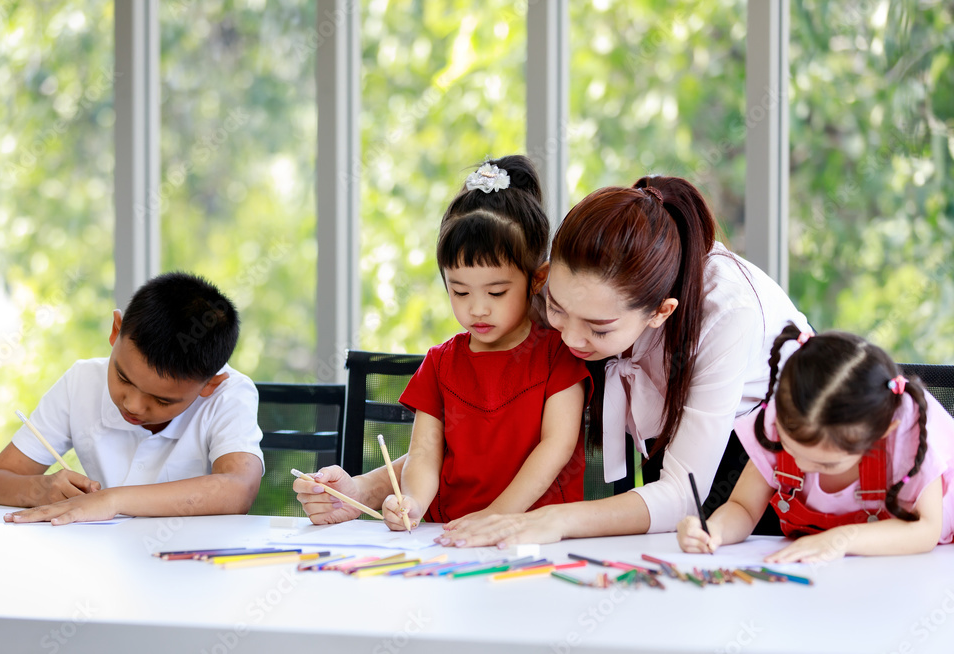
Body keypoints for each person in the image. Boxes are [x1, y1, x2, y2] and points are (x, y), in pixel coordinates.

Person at [295, 175, 809, 547]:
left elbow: (682, 494)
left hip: (775, 476)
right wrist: (364, 488)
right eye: (557, 309)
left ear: (660, 313)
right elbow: (482, 423)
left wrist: (550, 521)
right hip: (663, 488)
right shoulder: (579, 285)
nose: (568, 336)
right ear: (545, 277)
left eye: (599, 329)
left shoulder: (728, 315)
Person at [380, 155, 589, 531]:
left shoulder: (558, 353)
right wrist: (411, 501)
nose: (477, 309)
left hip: (534, 535)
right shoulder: (440, 363)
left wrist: (495, 517)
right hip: (452, 536)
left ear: (537, 279)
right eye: (459, 292)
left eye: (496, 292)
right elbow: (424, 454)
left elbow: (555, 448)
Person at [0, 271, 265, 524]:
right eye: (123, 378)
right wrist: (39, 489)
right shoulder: (81, 382)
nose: (132, 404)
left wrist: (112, 500)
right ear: (116, 330)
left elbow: (238, 489)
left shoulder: (231, 395)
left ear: (209, 384)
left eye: (162, 400)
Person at [678, 324, 954, 561]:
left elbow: (925, 530)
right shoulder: (784, 422)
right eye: (790, 449)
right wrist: (714, 530)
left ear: (881, 434)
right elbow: (743, 508)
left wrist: (841, 540)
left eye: (826, 463)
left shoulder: (906, 437)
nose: (800, 465)